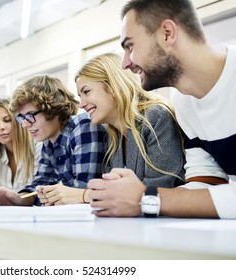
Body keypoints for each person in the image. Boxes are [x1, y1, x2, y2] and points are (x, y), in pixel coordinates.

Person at [88, 0, 236, 219]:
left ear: (167, 33)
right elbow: (207, 183)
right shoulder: (185, 102)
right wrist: (128, 196)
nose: (125, 64)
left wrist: (146, 198)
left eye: (130, 46)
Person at [0, 75, 107, 206]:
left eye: (30, 116)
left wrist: (53, 197)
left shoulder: (82, 126)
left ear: (52, 108)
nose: (25, 125)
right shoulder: (48, 143)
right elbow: (38, 189)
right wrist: (12, 197)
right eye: (21, 118)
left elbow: (82, 194)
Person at [75, 52, 185, 191]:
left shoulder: (155, 117)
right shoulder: (114, 136)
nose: (81, 104)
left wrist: (85, 195)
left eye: (86, 92)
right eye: (80, 96)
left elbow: (159, 188)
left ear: (113, 86)